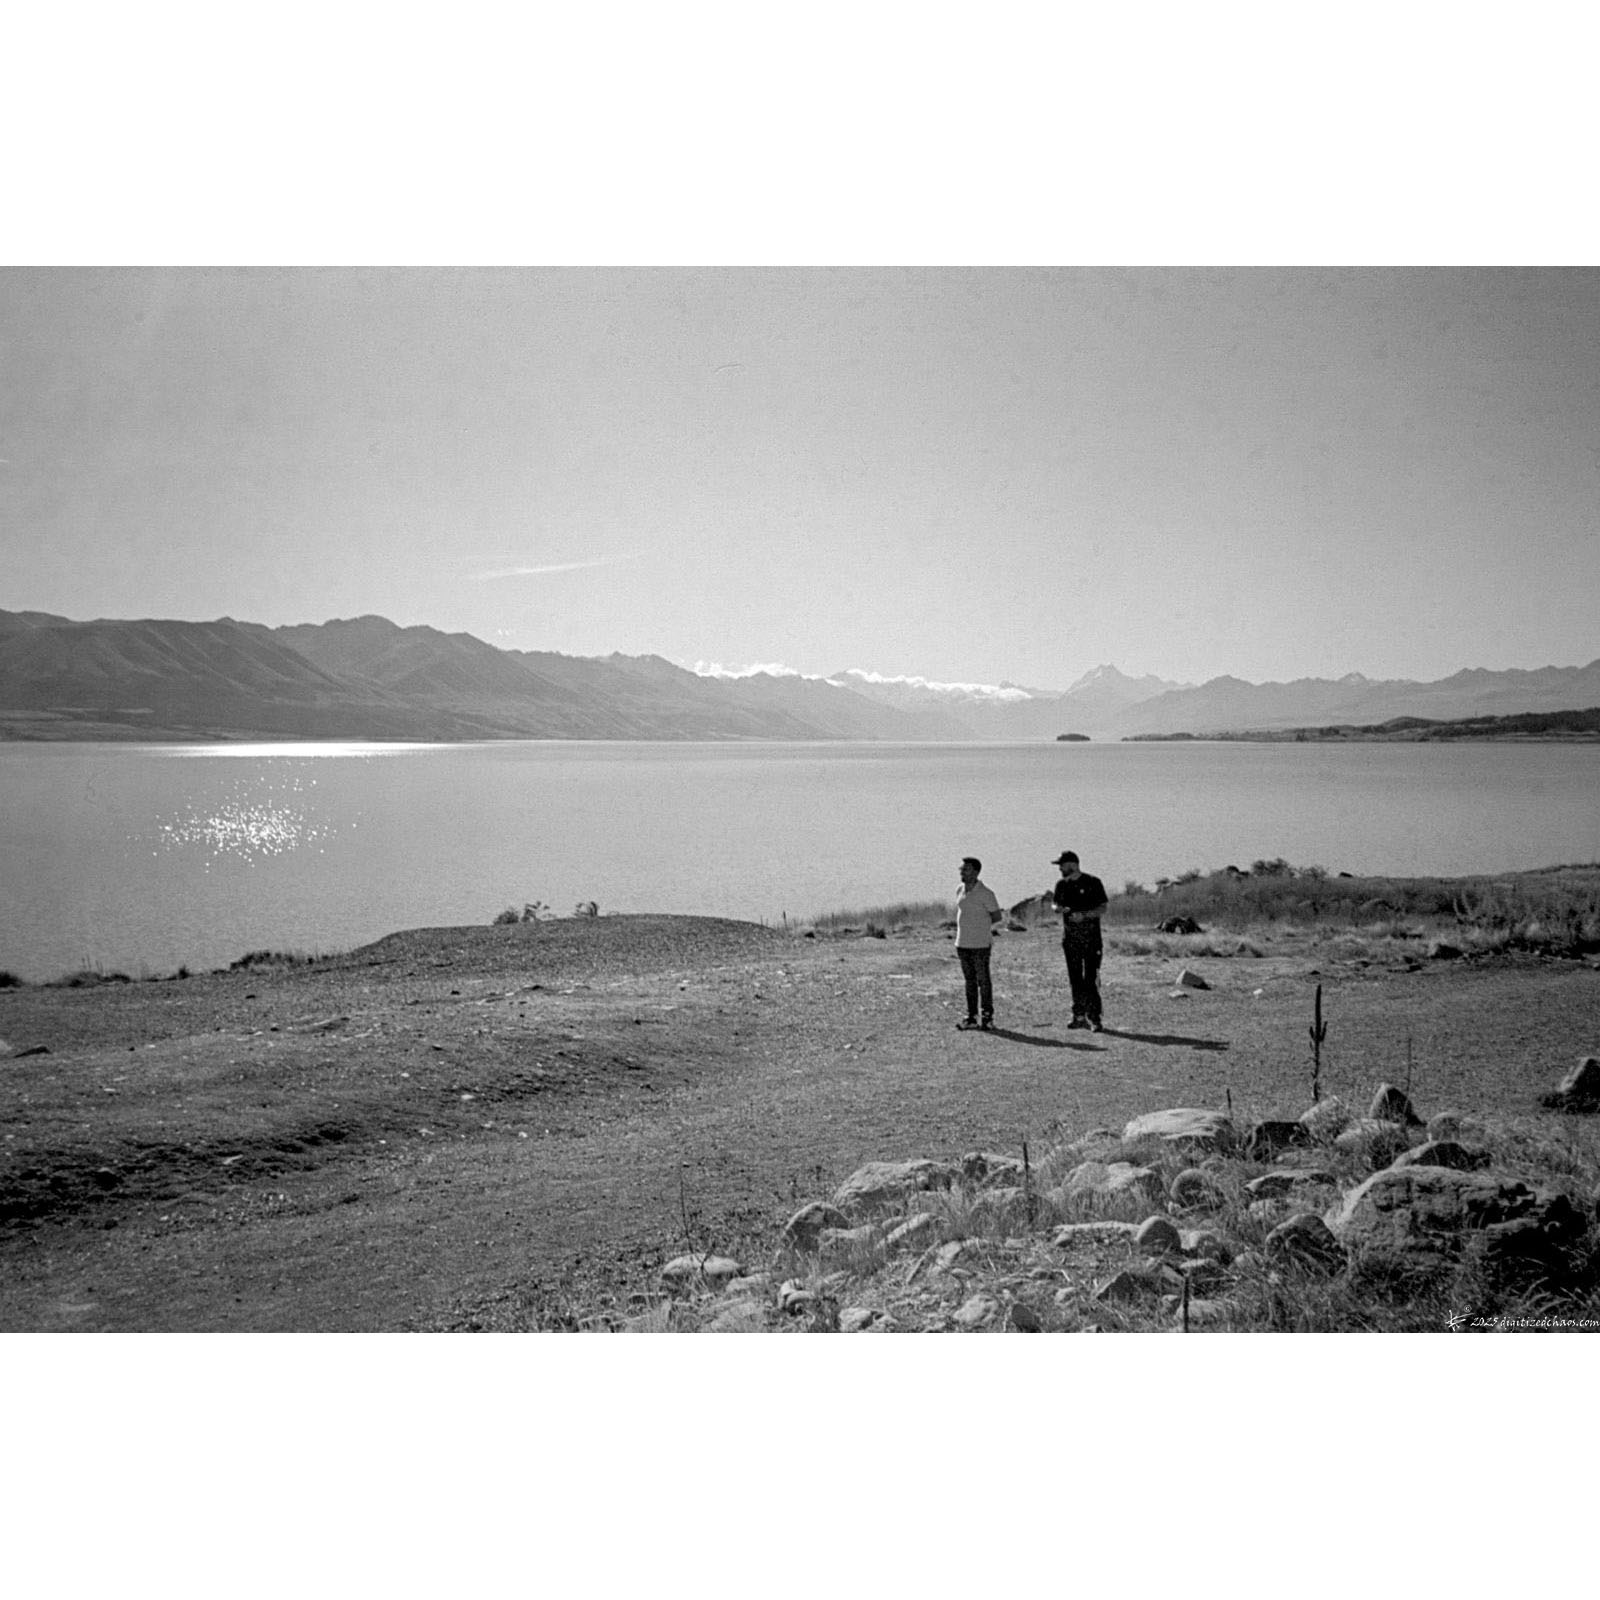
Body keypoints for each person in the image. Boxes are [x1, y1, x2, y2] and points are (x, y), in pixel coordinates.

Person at [1050, 849, 1108, 1031]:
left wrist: (1084, 916)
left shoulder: (1093, 882)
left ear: (1073, 865)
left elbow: (1103, 907)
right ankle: (1078, 1015)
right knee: (1075, 979)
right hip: (1070, 939)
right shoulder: (1061, 885)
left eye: (1062, 865)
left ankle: (1094, 1018)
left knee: (1090, 979)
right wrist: (1057, 908)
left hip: (1091, 939)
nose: (1060, 869)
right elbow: (1055, 903)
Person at [954, 856, 1002, 1030]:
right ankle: (972, 1016)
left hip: (980, 944)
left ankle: (987, 1017)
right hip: (962, 943)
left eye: (966, 869)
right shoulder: (960, 889)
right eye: (961, 869)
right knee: (970, 981)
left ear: (975, 872)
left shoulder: (986, 893)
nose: (962, 872)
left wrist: (980, 926)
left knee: (983, 981)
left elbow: (997, 916)